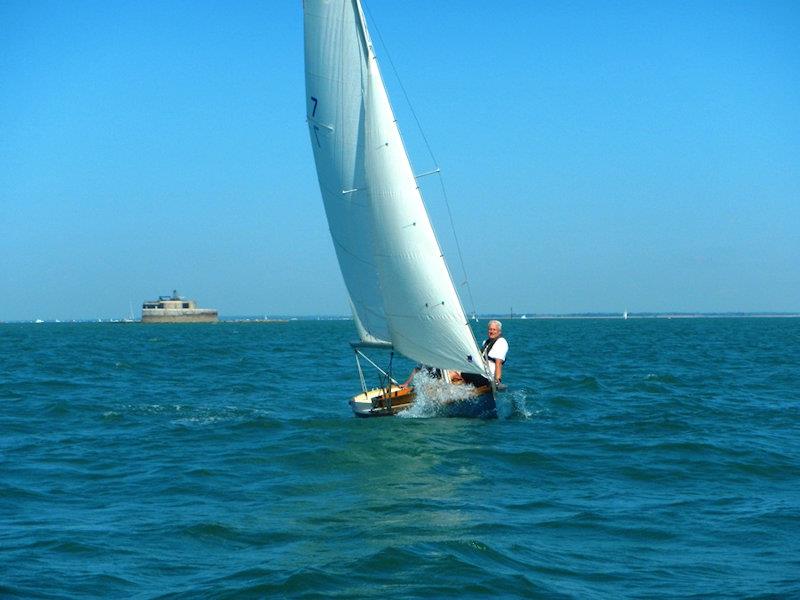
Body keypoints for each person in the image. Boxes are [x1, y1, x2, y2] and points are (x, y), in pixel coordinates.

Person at [461, 320, 508, 387]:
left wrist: (497, 381)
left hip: (487, 378)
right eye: (490, 329)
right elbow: (478, 358)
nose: (491, 331)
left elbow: (499, 363)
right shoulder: (486, 342)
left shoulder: (501, 342)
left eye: (494, 330)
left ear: (499, 332)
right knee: (455, 371)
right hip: (479, 372)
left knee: (459, 374)